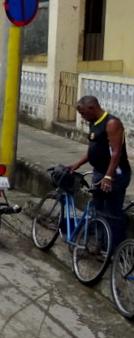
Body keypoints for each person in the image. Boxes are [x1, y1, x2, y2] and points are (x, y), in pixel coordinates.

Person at [70, 96, 130, 249]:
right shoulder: (93, 123)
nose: (82, 116)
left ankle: (114, 252)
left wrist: (108, 177)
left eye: (83, 113)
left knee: (112, 214)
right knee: (97, 210)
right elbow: (94, 150)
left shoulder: (111, 123)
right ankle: (100, 245)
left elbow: (116, 152)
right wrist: (78, 164)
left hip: (115, 175)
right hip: (99, 172)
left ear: (92, 108)